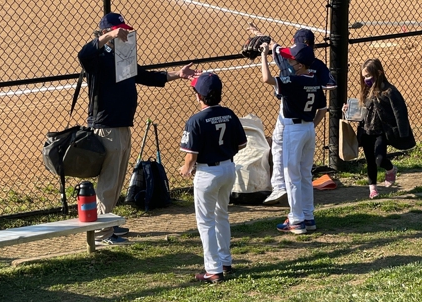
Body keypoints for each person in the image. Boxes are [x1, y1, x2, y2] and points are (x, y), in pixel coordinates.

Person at [78, 12, 200, 245]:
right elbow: (83, 54)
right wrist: (109, 36)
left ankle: (108, 225)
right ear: (107, 32)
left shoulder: (121, 54)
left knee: (116, 181)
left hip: (122, 126)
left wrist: (178, 74)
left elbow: (145, 76)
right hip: (107, 127)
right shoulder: (97, 58)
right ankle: (103, 235)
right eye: (119, 30)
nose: (125, 33)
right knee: (108, 182)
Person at [247, 25, 336, 205]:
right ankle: (305, 210)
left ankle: (284, 193)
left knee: (286, 157)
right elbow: (330, 86)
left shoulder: (288, 60)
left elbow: (274, 49)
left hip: (289, 112)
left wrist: (262, 44)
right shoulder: (316, 65)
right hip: (309, 117)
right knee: (303, 168)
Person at [179, 72, 247, 283]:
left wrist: (186, 169)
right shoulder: (230, 114)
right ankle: (225, 261)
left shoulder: (195, 120)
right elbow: (241, 145)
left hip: (207, 173)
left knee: (206, 221)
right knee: (221, 215)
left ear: (199, 96)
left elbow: (192, 155)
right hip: (228, 170)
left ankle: (213, 269)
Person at [260, 42, 327, 234]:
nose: (289, 62)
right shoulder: (314, 80)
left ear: (300, 65)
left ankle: (296, 220)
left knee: (292, 175)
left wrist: (264, 55)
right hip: (308, 130)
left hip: (294, 131)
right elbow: (323, 109)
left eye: (292, 60)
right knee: (305, 174)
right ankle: (308, 216)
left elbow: (267, 79)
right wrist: (311, 126)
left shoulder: (294, 81)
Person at [343, 58, 415, 199]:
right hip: (366, 131)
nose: (366, 80)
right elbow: (359, 112)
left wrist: (402, 132)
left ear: (379, 73)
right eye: (364, 77)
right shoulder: (365, 91)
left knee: (379, 159)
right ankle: (373, 190)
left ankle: (391, 169)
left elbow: (399, 111)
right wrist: (347, 110)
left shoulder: (388, 91)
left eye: (368, 76)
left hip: (380, 132)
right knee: (370, 161)